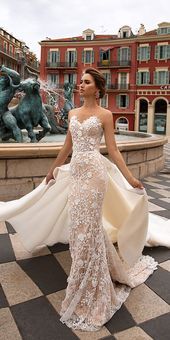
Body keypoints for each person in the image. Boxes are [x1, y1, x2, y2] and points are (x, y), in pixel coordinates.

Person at [0, 67, 169, 331]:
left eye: (86, 82)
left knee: (88, 225)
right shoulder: (72, 113)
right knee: (80, 228)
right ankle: (85, 276)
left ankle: (92, 283)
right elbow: (67, 147)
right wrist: (51, 170)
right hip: (77, 173)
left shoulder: (106, 115)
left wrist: (130, 178)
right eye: (81, 81)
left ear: (98, 89)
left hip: (95, 175)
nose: (81, 85)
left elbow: (113, 150)